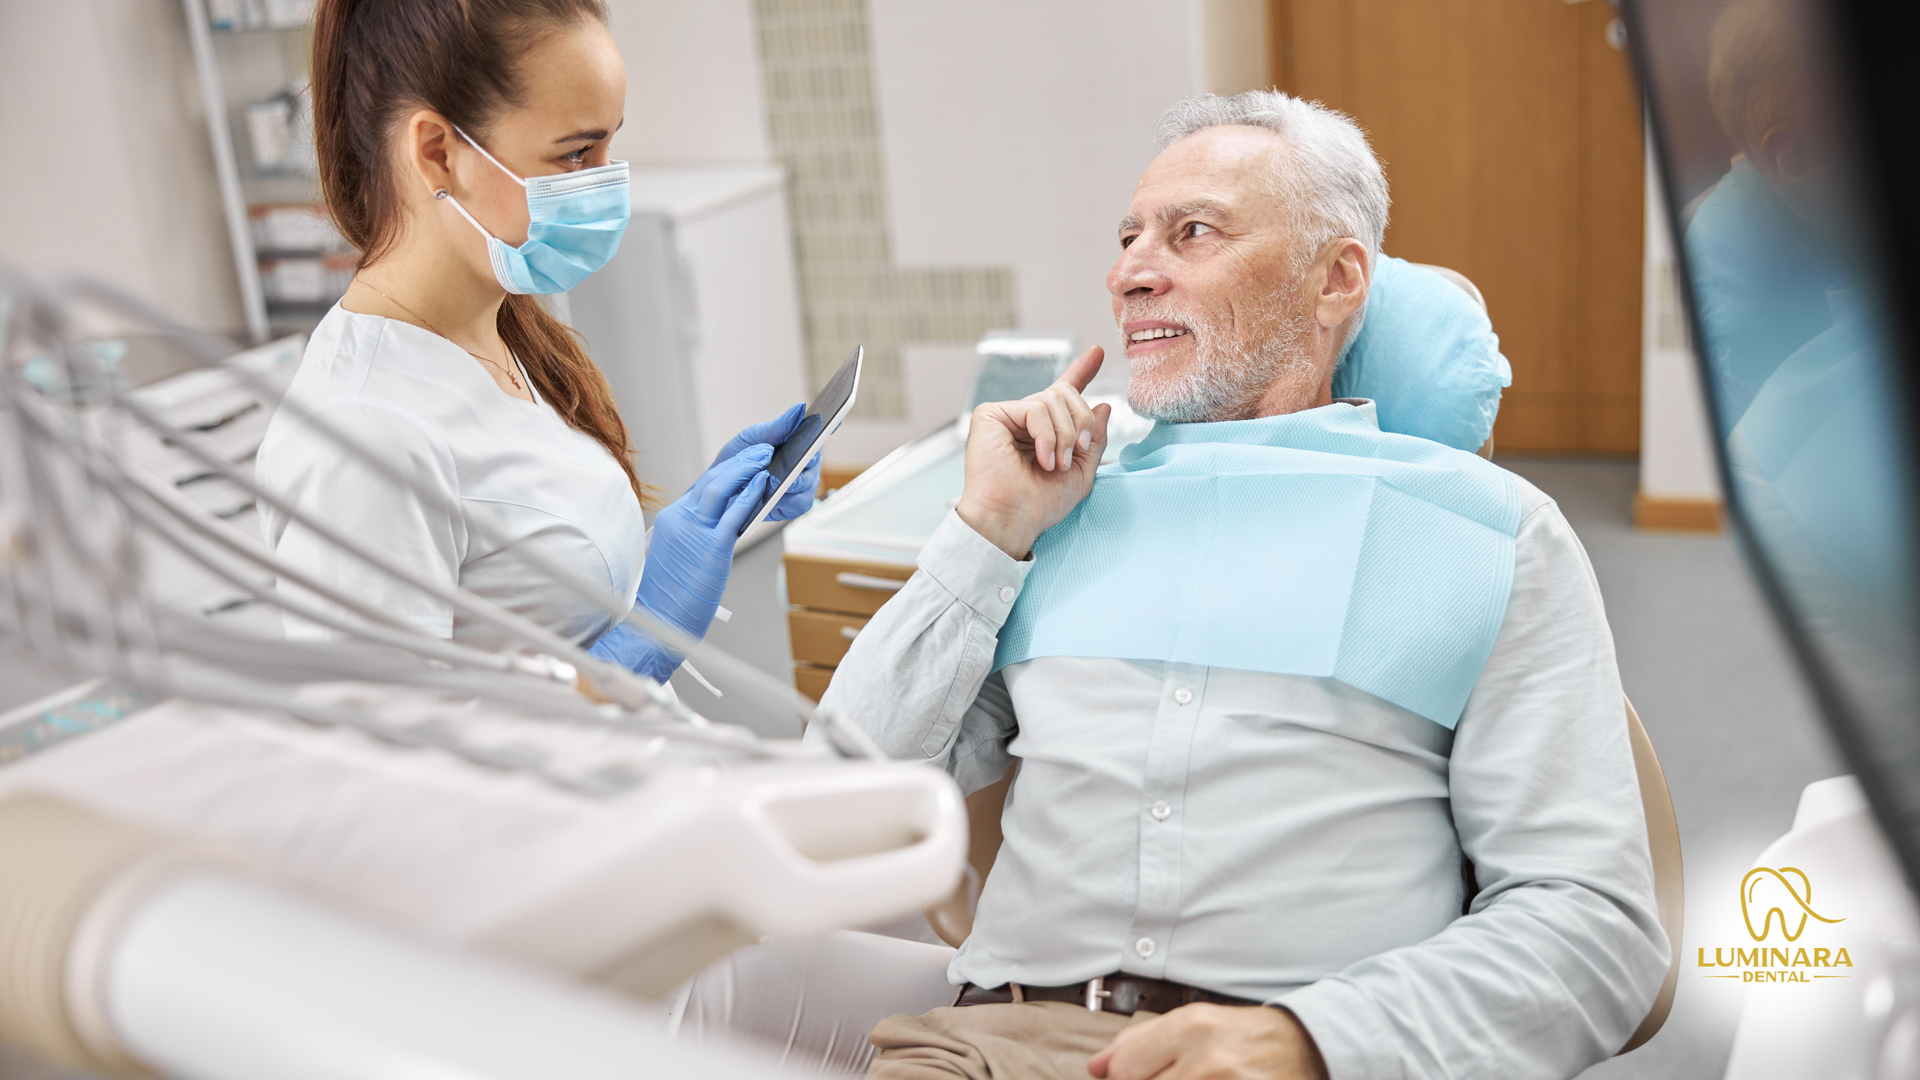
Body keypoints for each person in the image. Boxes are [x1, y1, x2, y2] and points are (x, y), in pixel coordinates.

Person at [794, 90, 1667, 1079]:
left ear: (1336, 280)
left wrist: (1318, 1042)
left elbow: (1598, 926)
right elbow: (839, 821)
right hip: (991, 1047)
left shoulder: (1490, 533)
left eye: (1191, 232)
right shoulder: (1056, 512)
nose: (1128, 274)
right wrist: (985, 537)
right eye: (1127, 239)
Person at [256, 0, 818, 680]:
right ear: (438, 152)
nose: (608, 185)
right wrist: (643, 643)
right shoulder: (359, 438)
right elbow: (395, 765)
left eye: (610, 145)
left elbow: (530, 591)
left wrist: (699, 522)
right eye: (577, 152)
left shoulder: (496, 330)